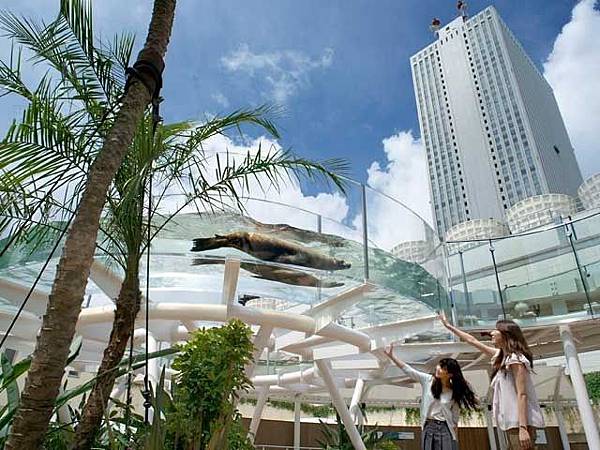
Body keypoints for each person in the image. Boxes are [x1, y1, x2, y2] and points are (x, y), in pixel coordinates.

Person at [438, 314, 544, 450]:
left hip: (520, 424)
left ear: (506, 334)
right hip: (511, 423)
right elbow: (473, 341)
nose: (492, 333)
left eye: (496, 330)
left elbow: (522, 394)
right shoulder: (501, 357)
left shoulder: (516, 360)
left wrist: (523, 428)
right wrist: (449, 326)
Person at [384, 344, 478, 450]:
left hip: (445, 427)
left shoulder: (453, 391)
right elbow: (409, 370)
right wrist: (392, 356)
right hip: (428, 426)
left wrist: (455, 438)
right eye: (439, 365)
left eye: (443, 368)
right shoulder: (428, 380)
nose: (438, 368)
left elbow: (455, 418)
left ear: (450, 374)